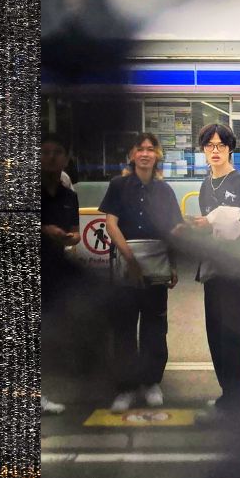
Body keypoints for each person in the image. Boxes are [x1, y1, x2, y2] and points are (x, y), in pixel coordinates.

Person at [99, 133, 183, 412]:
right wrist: (130, 259)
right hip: (126, 265)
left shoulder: (165, 190)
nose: (145, 154)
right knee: (123, 328)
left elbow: (172, 229)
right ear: (132, 155)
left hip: (157, 266)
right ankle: (125, 388)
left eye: (151, 149)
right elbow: (111, 224)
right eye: (140, 149)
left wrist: (172, 263)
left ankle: (150, 383)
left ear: (157, 154)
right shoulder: (118, 185)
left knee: (154, 328)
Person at [190, 124, 240, 416]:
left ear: (230, 148)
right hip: (213, 270)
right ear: (203, 150)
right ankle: (227, 393)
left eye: (221, 145)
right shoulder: (206, 186)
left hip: (237, 271)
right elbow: (209, 228)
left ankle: (237, 396)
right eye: (210, 146)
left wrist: (218, 222)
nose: (216, 151)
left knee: (233, 335)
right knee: (215, 333)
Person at [40, 134, 81, 415]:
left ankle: (44, 393)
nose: (52, 157)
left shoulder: (70, 196)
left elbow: (73, 230)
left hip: (56, 270)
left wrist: (71, 237)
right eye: (46, 152)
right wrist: (45, 230)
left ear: (66, 159)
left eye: (58, 152)